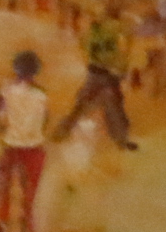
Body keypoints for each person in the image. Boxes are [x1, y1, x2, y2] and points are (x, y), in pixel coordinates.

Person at [0, 52, 50, 232]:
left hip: (11, 145)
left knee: (4, 187)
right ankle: (27, 226)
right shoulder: (42, 95)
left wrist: (3, 130)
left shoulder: (5, 91)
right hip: (34, 147)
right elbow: (45, 120)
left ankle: (1, 221)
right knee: (29, 190)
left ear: (15, 69)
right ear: (36, 72)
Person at [57, 8, 137, 151]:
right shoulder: (115, 28)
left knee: (89, 104)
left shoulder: (94, 32)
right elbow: (125, 45)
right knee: (110, 104)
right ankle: (121, 140)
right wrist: (122, 67)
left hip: (97, 72)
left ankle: (62, 132)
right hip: (106, 74)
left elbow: (86, 50)